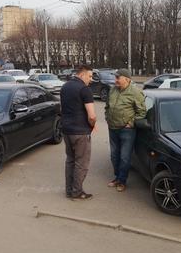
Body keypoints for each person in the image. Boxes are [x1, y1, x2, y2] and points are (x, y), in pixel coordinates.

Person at [105, 69, 146, 192]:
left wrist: (131, 123)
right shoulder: (113, 90)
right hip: (112, 128)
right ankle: (117, 177)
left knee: (124, 157)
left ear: (127, 79)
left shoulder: (135, 92)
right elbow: (107, 106)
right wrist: (107, 117)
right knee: (114, 156)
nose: (115, 80)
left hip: (126, 130)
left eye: (118, 78)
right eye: (115, 77)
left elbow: (142, 112)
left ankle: (122, 181)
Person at [60, 64, 97, 200]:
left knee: (70, 160)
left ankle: (69, 190)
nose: (91, 79)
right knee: (81, 163)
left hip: (66, 131)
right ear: (82, 75)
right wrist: (92, 125)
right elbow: (92, 116)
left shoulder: (65, 87)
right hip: (80, 132)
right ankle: (77, 192)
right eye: (90, 76)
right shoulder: (84, 89)